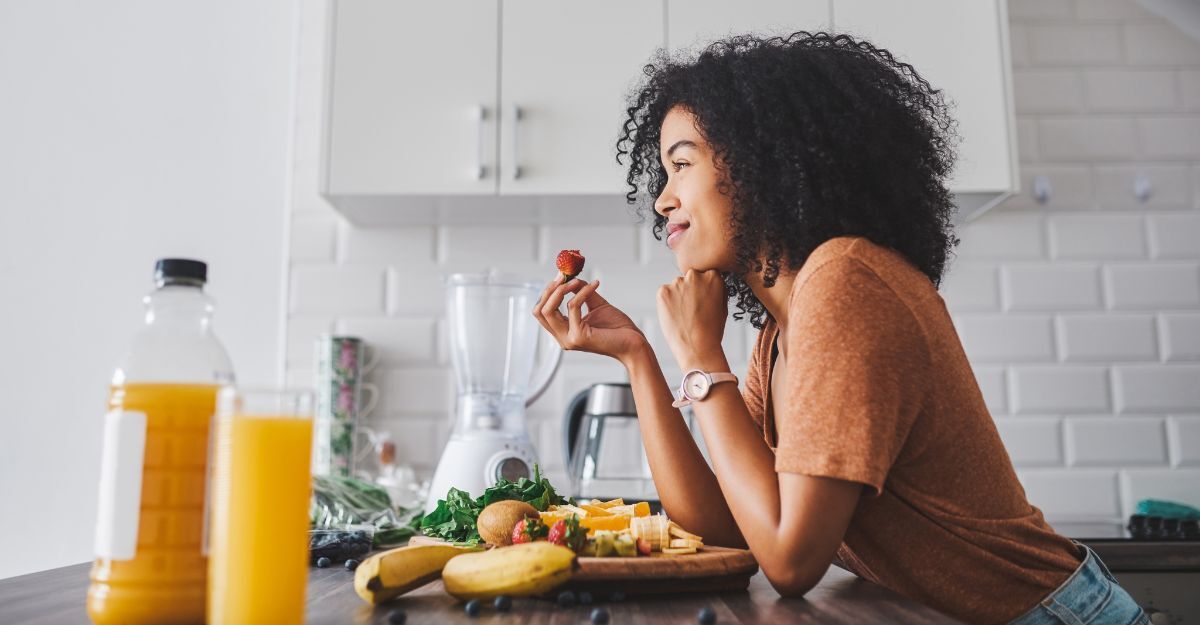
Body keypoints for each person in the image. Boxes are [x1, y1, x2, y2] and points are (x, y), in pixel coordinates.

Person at [531, 32, 1148, 625]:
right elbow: (722, 528)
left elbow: (790, 561)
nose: (663, 200)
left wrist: (700, 354)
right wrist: (640, 358)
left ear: (759, 164)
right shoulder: (780, 332)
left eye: (681, 165)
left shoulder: (845, 281)